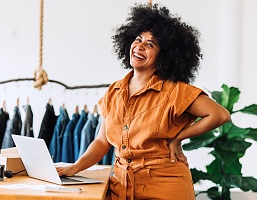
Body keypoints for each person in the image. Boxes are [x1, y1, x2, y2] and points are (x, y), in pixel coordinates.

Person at [56, 3, 231, 200]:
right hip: (121, 186)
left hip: (165, 187)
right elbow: (102, 141)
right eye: (138, 39)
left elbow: (220, 115)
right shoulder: (114, 91)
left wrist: (179, 137)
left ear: (164, 56)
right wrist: (74, 167)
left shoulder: (175, 91)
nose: (139, 46)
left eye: (150, 44)